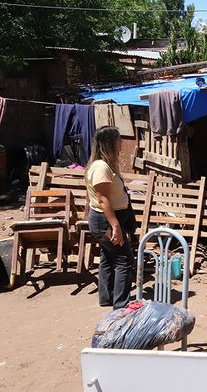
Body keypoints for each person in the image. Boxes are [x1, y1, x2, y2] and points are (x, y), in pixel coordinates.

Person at [85, 126, 137, 309]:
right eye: (119, 139)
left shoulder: (105, 165)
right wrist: (115, 226)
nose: (121, 143)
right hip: (106, 221)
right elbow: (103, 199)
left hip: (109, 219)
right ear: (111, 143)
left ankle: (106, 297)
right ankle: (121, 303)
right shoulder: (101, 167)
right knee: (124, 260)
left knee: (107, 256)